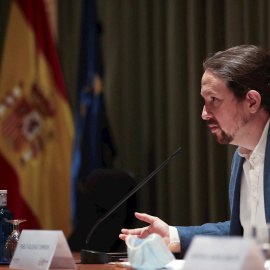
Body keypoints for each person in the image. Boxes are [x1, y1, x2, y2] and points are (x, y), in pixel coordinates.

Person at [119, 44, 270, 256]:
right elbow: (244, 233)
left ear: (252, 102)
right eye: (204, 101)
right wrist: (173, 236)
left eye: (214, 100)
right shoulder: (243, 156)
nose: (204, 113)